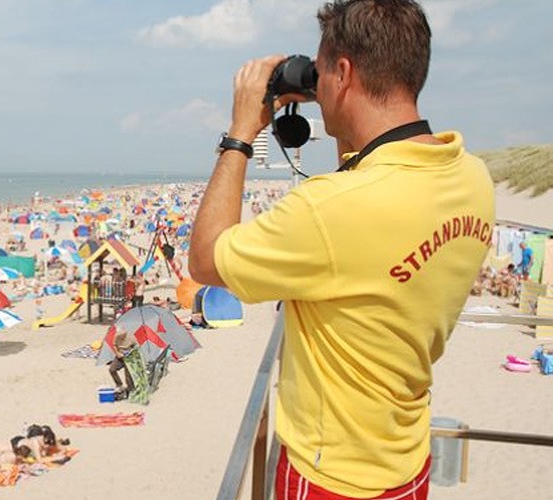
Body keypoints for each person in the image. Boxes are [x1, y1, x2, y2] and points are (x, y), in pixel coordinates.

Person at [187, 1, 493, 498]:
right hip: (406, 460)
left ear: (344, 72)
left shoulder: (327, 211)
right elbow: (369, 182)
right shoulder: (470, 177)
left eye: (324, 72)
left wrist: (240, 133)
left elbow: (205, 259)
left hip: (332, 476)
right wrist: (335, 100)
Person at [107, 324, 136, 398]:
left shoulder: (131, 337)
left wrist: (130, 353)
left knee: (128, 375)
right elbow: (114, 345)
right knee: (112, 369)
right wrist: (117, 353)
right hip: (120, 355)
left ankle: (130, 389)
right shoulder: (117, 337)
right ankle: (119, 384)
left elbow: (135, 347)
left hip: (129, 356)